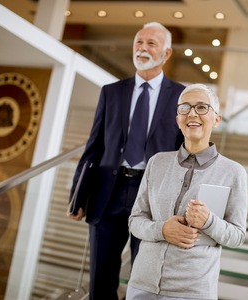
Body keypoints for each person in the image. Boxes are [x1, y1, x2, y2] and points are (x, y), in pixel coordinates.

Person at [67, 22, 185, 299]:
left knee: (144, 281)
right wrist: (77, 195)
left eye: (151, 44)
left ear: (166, 54)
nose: (142, 48)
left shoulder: (180, 96)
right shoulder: (111, 91)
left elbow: (183, 154)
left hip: (152, 198)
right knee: (100, 281)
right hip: (107, 193)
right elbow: (93, 147)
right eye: (138, 42)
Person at [126, 84, 248, 300]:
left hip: (192, 290)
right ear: (178, 119)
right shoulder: (157, 162)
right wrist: (162, 230)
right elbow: (135, 221)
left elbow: (237, 236)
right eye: (185, 108)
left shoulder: (233, 172)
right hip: (141, 284)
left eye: (202, 107)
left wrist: (209, 221)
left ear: (217, 119)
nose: (192, 113)